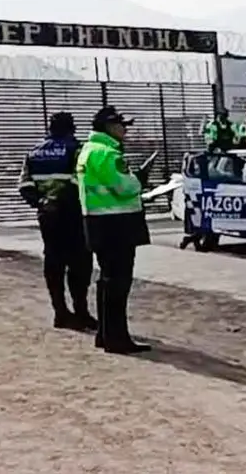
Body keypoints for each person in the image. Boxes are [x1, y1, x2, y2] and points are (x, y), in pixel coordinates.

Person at [76, 106, 152, 354]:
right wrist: (140, 179)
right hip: (116, 225)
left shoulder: (88, 151)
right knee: (118, 283)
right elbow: (123, 187)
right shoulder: (108, 154)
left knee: (107, 281)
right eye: (122, 125)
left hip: (98, 223)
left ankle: (105, 334)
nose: (125, 130)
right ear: (109, 127)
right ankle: (117, 338)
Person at [18, 112, 96, 331]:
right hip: (73, 215)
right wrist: (60, 202)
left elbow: (23, 184)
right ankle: (81, 312)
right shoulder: (77, 149)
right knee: (79, 263)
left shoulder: (34, 152)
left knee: (54, 263)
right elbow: (76, 180)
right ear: (72, 128)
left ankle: (60, 313)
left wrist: (43, 202)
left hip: (47, 216)